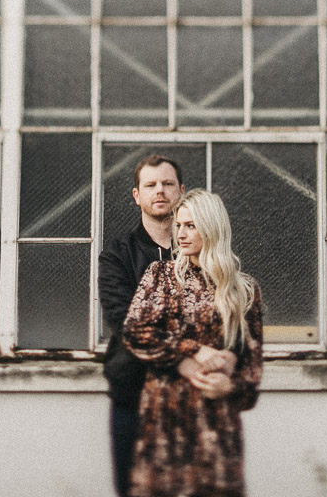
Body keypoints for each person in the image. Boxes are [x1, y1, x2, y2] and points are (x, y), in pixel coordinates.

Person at [121, 189, 264, 497]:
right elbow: (135, 331)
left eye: (191, 226)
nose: (180, 234)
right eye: (178, 225)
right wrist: (193, 352)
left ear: (211, 228)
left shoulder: (244, 291)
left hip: (215, 427)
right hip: (164, 422)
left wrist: (232, 387)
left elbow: (251, 371)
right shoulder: (161, 276)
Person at [99, 154, 206, 496]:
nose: (159, 191)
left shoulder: (203, 253)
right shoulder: (117, 255)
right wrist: (182, 357)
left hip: (193, 399)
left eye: (167, 184)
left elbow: (216, 321)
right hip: (135, 395)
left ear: (182, 191)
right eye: (151, 185)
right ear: (137, 196)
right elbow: (126, 322)